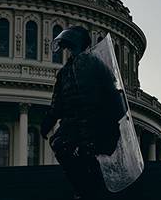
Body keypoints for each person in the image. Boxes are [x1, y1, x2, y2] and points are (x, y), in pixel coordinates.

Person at [41, 26, 122, 199]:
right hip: (74, 123)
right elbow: (58, 103)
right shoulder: (64, 72)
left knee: (86, 150)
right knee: (59, 144)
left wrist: (113, 118)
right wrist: (48, 122)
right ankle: (82, 188)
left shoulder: (94, 64)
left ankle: (92, 186)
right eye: (67, 48)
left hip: (95, 121)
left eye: (70, 47)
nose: (68, 51)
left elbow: (111, 93)